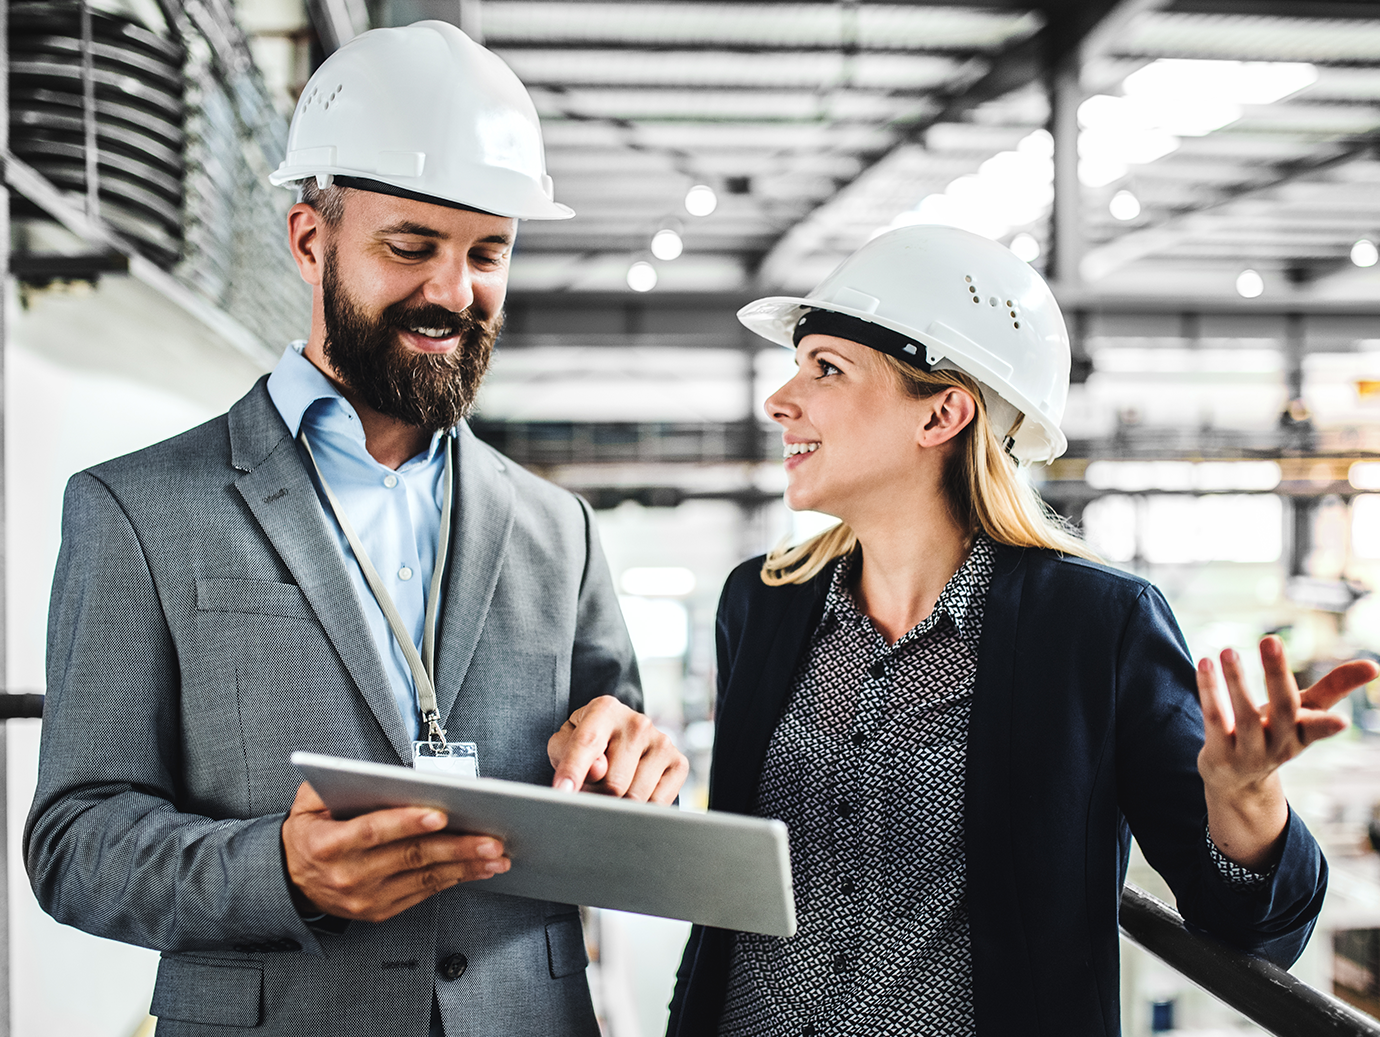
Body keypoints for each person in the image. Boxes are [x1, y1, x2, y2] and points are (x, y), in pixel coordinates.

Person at [26, 21, 686, 1037]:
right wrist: (276, 869)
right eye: (410, 247)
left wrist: (634, 761)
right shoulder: (139, 509)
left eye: (488, 254)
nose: (452, 293)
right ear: (309, 240)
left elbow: (615, 769)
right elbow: (75, 842)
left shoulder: (560, 531)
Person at [667, 224, 1378, 1036]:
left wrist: (1244, 793)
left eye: (825, 368)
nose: (779, 399)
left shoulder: (1096, 627)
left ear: (943, 413)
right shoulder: (761, 604)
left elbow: (1254, 930)